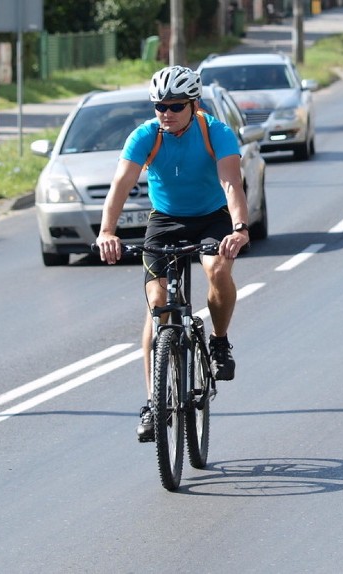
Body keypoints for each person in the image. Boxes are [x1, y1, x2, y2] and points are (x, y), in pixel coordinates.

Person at [96, 66, 250, 442]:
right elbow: (121, 184)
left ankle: (218, 340)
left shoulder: (216, 132)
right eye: (159, 105)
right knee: (158, 302)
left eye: (175, 106)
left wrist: (239, 229)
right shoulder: (145, 137)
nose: (166, 112)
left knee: (217, 271)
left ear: (193, 105)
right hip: (165, 219)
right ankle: (154, 401)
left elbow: (231, 181)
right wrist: (106, 232)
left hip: (212, 218)